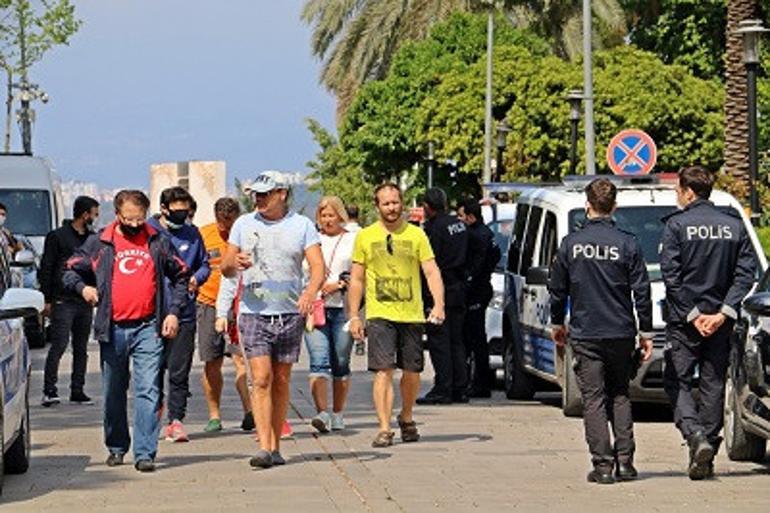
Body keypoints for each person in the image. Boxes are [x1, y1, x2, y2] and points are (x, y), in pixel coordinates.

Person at [63, 190, 189, 472]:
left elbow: (181, 275)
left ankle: (145, 453)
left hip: (148, 326)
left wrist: (173, 312)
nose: (134, 225)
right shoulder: (100, 243)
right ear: (118, 215)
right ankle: (117, 446)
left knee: (148, 390)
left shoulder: (157, 241)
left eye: (139, 219)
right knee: (113, 391)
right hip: (113, 327)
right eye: (128, 219)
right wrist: (84, 288)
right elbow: (69, 269)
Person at [549, 178, 654, 485]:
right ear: (614, 207)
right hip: (621, 331)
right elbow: (642, 291)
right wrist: (645, 333)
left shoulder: (570, 244)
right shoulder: (628, 243)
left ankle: (603, 465)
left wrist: (558, 324)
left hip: (586, 332)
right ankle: (626, 462)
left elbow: (557, 289)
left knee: (593, 398)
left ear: (587, 205)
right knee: (620, 394)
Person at [222, 170, 324, 469]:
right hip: (254, 312)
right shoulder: (244, 223)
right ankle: (264, 446)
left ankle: (276, 445)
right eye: (256, 194)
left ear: (282, 193)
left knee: (281, 379)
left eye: (265, 194)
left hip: (290, 312)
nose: (259, 199)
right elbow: (226, 267)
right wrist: (234, 263)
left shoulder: (302, 225)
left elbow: (318, 266)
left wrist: (310, 292)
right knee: (261, 378)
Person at [661, 166, 756, 480]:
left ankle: (695, 436)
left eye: (678, 191)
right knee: (713, 383)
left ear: (689, 192)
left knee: (677, 381)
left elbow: (672, 279)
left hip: (684, 321)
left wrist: (693, 315)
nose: (677, 196)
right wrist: (723, 312)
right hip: (720, 321)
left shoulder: (676, 226)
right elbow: (746, 274)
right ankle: (706, 453)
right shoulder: (734, 226)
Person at [348, 183, 445, 448]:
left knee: (412, 371)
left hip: (411, 313)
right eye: (386, 203)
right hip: (380, 313)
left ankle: (406, 416)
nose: (391, 208)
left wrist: (438, 304)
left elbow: (432, 271)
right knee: (383, 370)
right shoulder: (365, 237)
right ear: (377, 206)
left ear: (401, 203)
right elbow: (357, 279)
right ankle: (384, 427)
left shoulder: (416, 236)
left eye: (395, 202)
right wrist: (355, 315)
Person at [147, 186, 210, 442]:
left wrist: (197, 278)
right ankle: (151, 416)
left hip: (183, 312)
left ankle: (176, 419)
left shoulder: (192, 234)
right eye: (177, 211)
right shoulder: (149, 232)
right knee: (152, 370)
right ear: (163, 209)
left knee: (178, 370)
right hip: (151, 312)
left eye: (186, 211)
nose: (182, 215)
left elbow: (204, 264)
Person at [196, 197, 254, 432]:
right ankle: (214, 415)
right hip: (209, 303)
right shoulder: (204, 235)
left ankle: (249, 411)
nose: (227, 229)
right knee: (213, 361)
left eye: (231, 223)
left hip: (240, 304)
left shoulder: (247, 235)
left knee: (242, 360)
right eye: (223, 224)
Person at [40, 195, 100, 407]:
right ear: (85, 214)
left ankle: (78, 390)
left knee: (81, 348)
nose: (96, 218)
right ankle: (49, 390)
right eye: (94, 214)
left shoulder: (93, 239)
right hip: (62, 300)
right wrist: (46, 299)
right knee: (59, 344)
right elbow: (46, 267)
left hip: (84, 301)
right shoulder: (57, 236)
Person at [305, 196, 356, 433]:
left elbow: (357, 273)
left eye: (331, 215)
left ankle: (338, 413)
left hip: (343, 307)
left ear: (340, 216)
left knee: (341, 361)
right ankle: (322, 413)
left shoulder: (352, 238)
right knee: (318, 359)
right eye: (323, 215)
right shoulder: (311, 240)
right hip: (315, 308)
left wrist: (337, 285)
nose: (327, 220)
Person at [417, 188, 469, 405]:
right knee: (457, 341)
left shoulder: (434, 229)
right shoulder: (460, 225)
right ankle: (460, 388)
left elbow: (429, 263)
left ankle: (443, 389)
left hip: (440, 289)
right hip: (459, 287)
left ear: (428, 207)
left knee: (439, 342)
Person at [457, 198, 500, 398]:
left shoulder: (475, 236)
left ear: (471, 217)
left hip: (476, 291)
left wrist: (467, 283)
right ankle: (478, 381)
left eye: (461, 216)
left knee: (474, 339)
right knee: (476, 338)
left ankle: (478, 383)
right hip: (482, 289)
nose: (459, 220)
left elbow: (477, 265)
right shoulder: (487, 233)